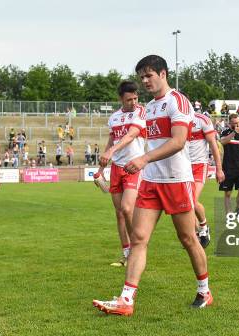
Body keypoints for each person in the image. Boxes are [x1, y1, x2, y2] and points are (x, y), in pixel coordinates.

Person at [93, 55, 212, 316]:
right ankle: (126, 299)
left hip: (176, 181)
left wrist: (144, 158)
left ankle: (204, 290)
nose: (145, 81)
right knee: (138, 238)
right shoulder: (148, 107)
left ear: (163, 74)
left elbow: (179, 141)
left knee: (187, 238)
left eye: (149, 75)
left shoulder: (178, 101)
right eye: (141, 77)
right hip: (151, 181)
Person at [97, 81, 146, 267]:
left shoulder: (141, 112)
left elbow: (131, 135)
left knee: (127, 208)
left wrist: (111, 151)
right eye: (129, 99)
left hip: (133, 166)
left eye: (136, 98)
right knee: (119, 213)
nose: (133, 102)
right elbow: (112, 139)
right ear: (120, 99)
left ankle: (137, 250)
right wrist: (102, 166)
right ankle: (126, 254)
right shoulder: (114, 117)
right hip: (116, 168)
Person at [189, 108, 224, 248]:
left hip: (199, 165)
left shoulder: (202, 120)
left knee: (191, 200)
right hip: (181, 166)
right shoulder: (175, 120)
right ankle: (197, 233)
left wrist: (219, 169)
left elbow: (213, 145)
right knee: (185, 204)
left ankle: (203, 227)